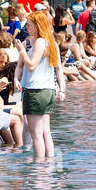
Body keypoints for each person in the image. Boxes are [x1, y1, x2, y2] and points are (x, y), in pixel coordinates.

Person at [18, 10, 64, 161]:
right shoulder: (51, 43)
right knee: (45, 131)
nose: (27, 28)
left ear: (38, 26)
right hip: (47, 89)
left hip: (36, 90)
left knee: (36, 133)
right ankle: (49, 163)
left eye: (29, 25)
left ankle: (39, 168)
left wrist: (22, 51)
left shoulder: (39, 42)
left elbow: (31, 66)